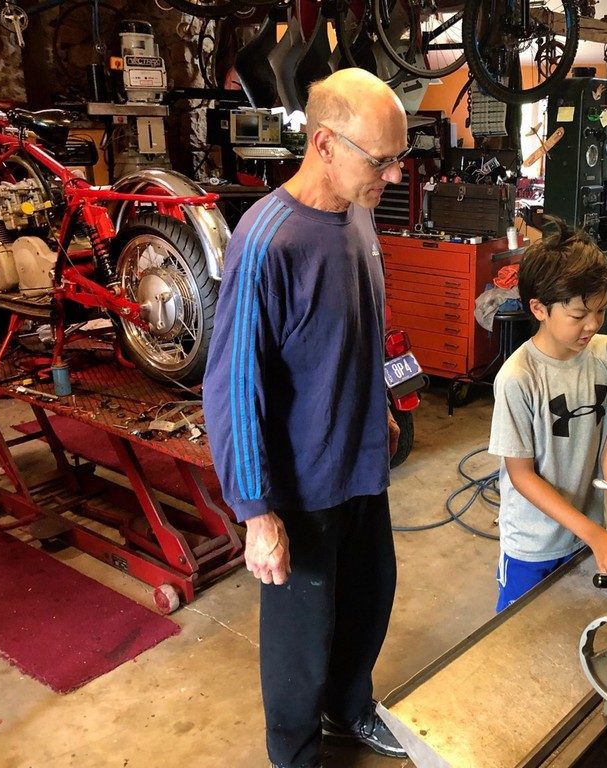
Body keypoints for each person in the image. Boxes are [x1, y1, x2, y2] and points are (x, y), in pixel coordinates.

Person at [203, 69, 410, 768]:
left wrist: (380, 406)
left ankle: (349, 710)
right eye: (380, 159)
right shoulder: (267, 242)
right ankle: (294, 753)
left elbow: (362, 326)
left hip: (361, 466)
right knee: (300, 642)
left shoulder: (357, 213)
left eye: (397, 157)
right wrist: (257, 515)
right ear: (324, 144)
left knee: (369, 599)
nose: (393, 173)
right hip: (303, 486)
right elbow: (234, 388)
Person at [488, 220, 607, 612]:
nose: (592, 325)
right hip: (533, 545)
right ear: (539, 308)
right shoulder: (518, 378)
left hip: (586, 533)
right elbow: (522, 476)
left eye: (601, 310)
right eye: (578, 315)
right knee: (516, 640)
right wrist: (595, 534)